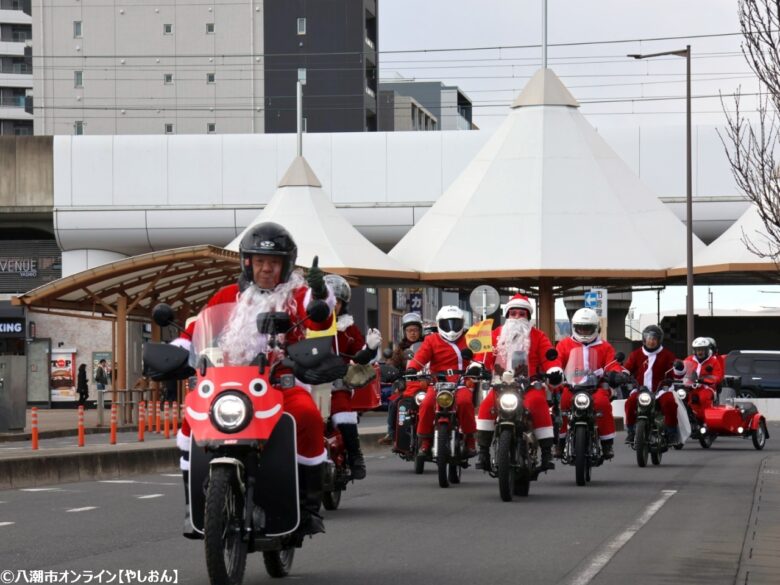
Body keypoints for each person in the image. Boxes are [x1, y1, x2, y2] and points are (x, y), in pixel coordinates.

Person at [173, 221, 336, 538]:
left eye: (273, 263)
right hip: (228, 383)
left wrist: (320, 291)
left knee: (307, 415)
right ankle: (194, 507)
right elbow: (194, 331)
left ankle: (309, 507)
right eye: (259, 262)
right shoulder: (226, 295)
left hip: (280, 381)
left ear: (285, 265)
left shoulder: (297, 294)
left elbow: (321, 315)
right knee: (190, 418)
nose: (266, 269)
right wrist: (176, 352)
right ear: (247, 262)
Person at [475, 294, 563, 472]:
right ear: (507, 316)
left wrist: (553, 369)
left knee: (538, 403)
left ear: (528, 317)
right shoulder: (496, 334)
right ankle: (483, 452)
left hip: (529, 385)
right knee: (486, 406)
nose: (516, 317)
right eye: (513, 313)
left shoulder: (538, 336)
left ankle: (547, 452)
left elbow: (549, 356)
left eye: (521, 314)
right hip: (501, 385)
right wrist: (477, 366)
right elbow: (483, 355)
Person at [323, 274, 381, 480]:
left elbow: (361, 354)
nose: (333, 305)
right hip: (310, 383)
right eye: (328, 300)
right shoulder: (306, 324)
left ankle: (356, 456)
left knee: (342, 413)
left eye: (337, 301)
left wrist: (370, 349)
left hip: (338, 383)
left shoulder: (348, 328)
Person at [405, 305, 478, 459]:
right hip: (437, 383)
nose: (451, 328)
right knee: (426, 404)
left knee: (465, 403)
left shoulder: (469, 339)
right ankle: (425, 442)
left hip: (461, 382)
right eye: (447, 323)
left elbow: (479, 357)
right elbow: (421, 357)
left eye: (455, 323)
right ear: (439, 323)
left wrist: (477, 367)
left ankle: (470, 440)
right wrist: (412, 369)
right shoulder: (432, 340)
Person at [555, 307, 622, 460]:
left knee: (603, 404)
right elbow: (557, 362)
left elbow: (612, 364)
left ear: (596, 328)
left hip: (596, 386)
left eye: (588, 328)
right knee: (563, 405)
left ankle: (606, 443)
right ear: (575, 327)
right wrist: (555, 372)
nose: (584, 332)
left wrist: (615, 374)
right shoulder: (564, 344)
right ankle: (560, 441)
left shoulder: (604, 346)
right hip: (571, 386)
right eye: (581, 328)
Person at [623, 325, 680, 444]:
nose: (651, 341)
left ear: (659, 340)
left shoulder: (667, 354)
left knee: (669, 403)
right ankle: (631, 431)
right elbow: (627, 368)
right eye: (648, 338)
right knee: (630, 403)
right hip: (640, 390)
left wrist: (679, 369)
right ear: (644, 339)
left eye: (654, 338)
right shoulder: (636, 354)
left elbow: (676, 371)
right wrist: (623, 375)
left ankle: (672, 432)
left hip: (661, 390)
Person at [378, 312, 423, 445]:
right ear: (404, 332)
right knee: (393, 401)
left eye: (415, 330)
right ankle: (391, 433)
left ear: (420, 331)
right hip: (405, 383)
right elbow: (392, 362)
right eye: (409, 330)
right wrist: (393, 373)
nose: (412, 333)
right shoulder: (400, 349)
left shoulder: (428, 345)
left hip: (426, 382)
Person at [675, 336, 723, 423]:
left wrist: (705, 379)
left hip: (706, 387)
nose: (700, 352)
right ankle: (677, 422)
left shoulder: (713, 361)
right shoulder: (690, 359)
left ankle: (702, 421)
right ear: (694, 350)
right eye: (698, 349)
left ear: (707, 350)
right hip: (690, 386)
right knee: (677, 397)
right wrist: (678, 367)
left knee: (702, 398)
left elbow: (718, 376)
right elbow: (682, 370)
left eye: (702, 349)